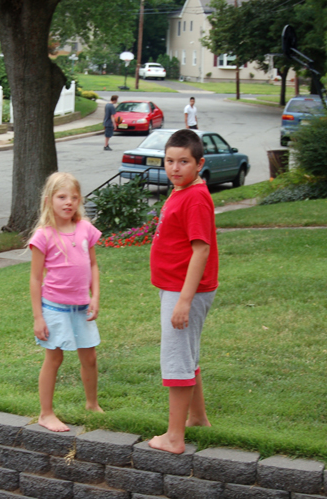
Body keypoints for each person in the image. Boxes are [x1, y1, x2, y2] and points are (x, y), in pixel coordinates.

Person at [148, 129, 219, 454]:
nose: (175, 168)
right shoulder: (183, 190)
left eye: (184, 162)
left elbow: (201, 250)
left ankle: (174, 437)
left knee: (176, 359)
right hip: (175, 288)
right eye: (170, 161)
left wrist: (184, 302)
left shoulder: (195, 198)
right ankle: (198, 417)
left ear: (200, 163)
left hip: (184, 291)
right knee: (187, 354)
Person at [29, 172, 103, 432]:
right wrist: (39, 317)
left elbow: (93, 264)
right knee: (54, 358)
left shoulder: (85, 229)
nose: (68, 202)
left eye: (73, 197)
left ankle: (92, 404)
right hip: (54, 308)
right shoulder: (43, 235)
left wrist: (95, 296)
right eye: (62, 197)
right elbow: (35, 279)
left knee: (90, 357)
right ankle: (45, 413)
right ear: (49, 200)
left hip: (82, 308)